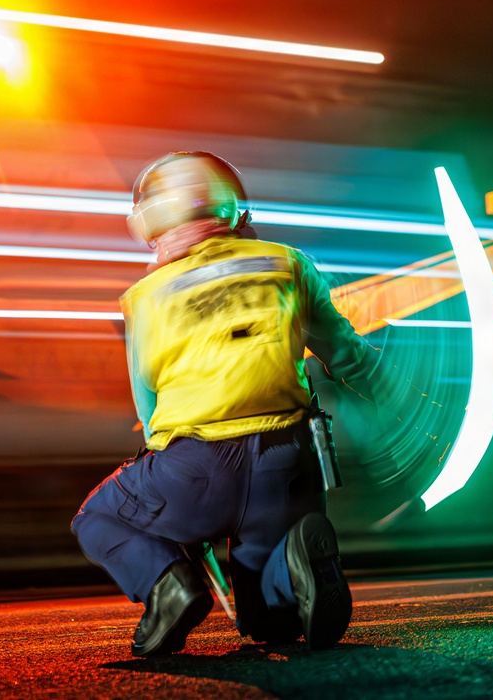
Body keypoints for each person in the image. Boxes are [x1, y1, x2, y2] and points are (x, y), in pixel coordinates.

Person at [71, 150, 378, 658]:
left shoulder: (144, 298)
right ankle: (293, 567)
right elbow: (348, 356)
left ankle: (167, 585)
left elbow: (150, 410)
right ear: (233, 207)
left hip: (196, 466)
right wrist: (406, 396)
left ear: (150, 222)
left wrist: (173, 510)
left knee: (98, 517)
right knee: (270, 625)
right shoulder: (287, 264)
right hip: (290, 464)